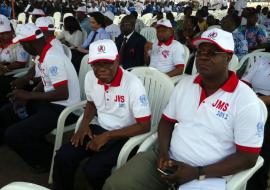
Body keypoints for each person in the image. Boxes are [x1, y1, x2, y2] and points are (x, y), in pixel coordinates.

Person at [103, 28, 266, 190]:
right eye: (200, 51)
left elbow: (248, 157)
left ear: (228, 58)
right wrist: (163, 154)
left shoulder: (246, 100)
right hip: (167, 159)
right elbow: (166, 122)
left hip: (208, 175)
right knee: (114, 184)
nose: (203, 57)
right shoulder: (185, 85)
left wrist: (197, 172)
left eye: (212, 53)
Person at [53, 39, 151, 190]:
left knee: (93, 170)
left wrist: (108, 136)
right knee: (63, 156)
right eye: (97, 64)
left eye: (107, 63)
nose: (102, 69)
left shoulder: (133, 84)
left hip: (125, 135)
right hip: (99, 127)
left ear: (117, 60)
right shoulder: (90, 78)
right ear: (91, 64)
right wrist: (83, 126)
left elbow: (144, 126)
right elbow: (92, 103)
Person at [0, 23, 80, 172]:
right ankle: (39, 144)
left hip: (64, 108)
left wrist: (29, 95)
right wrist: (27, 94)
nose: (23, 48)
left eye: (23, 45)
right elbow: (47, 82)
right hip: (51, 103)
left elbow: (63, 93)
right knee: (8, 111)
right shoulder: (43, 54)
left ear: (29, 43)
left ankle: (47, 160)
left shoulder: (52, 57)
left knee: (13, 134)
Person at [241, 56, 270, 190]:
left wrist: (256, 101)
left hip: (261, 103)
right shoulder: (262, 60)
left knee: (262, 140)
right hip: (253, 101)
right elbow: (244, 83)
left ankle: (256, 182)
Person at [0, 14, 29, 107]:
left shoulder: (18, 45)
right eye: (1, 34)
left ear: (11, 32)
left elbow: (21, 64)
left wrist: (5, 67)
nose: (2, 36)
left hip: (12, 74)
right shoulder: (1, 44)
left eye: (5, 33)